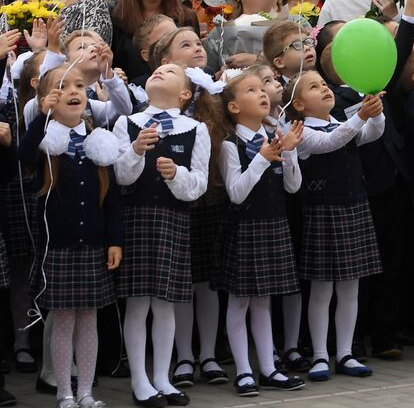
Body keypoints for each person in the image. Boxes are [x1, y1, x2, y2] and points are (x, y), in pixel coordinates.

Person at [21, 64, 123, 408]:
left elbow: (112, 201)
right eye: (62, 87)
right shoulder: (47, 140)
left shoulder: (100, 143)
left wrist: (114, 241)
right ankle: (64, 390)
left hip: (93, 245)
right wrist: (42, 115)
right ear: (48, 98)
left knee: (89, 320)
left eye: (79, 85)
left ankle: (86, 391)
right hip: (60, 246)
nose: (73, 91)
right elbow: (22, 155)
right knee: (63, 319)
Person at [113, 62, 210, 407]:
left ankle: (162, 378)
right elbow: (120, 177)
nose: (158, 72)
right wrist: (136, 150)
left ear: (185, 93)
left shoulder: (196, 129)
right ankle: (140, 380)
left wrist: (176, 175)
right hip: (136, 218)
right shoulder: (127, 123)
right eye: (157, 69)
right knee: (138, 303)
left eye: (169, 72)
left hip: (173, 220)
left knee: (166, 303)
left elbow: (198, 185)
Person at [285, 73, 384, 381]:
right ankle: (318, 354)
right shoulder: (299, 131)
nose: (325, 88)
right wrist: (360, 118)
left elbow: (373, 134)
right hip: (322, 210)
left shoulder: (342, 121)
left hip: (353, 205)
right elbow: (327, 143)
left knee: (350, 286)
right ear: (299, 104)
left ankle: (345, 353)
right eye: (315, 87)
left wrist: (376, 114)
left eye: (324, 84)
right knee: (322, 287)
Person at [216, 69, 306, 396]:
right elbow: (237, 193)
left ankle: (267, 367)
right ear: (234, 107)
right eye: (252, 90)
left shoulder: (276, 138)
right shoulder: (230, 146)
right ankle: (243, 371)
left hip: (273, 224)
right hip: (245, 228)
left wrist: (290, 150)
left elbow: (293, 187)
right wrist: (262, 159)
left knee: (264, 301)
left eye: (262, 89)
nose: (262, 94)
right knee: (240, 301)